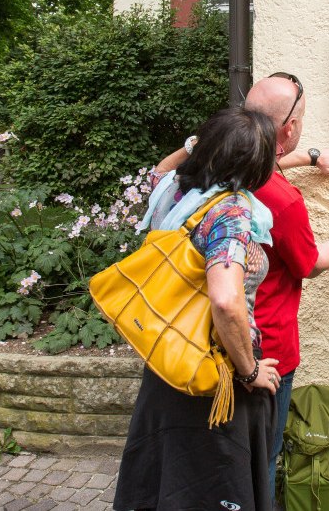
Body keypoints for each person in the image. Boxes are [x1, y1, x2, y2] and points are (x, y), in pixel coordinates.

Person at [113, 107, 283, 511]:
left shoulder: (174, 192)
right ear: (256, 167)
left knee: (165, 479)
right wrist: (251, 370)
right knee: (210, 486)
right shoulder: (231, 212)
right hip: (213, 374)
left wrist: (195, 145)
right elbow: (225, 300)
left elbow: (158, 171)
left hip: (167, 361)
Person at [242, 72, 329, 499]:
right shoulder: (283, 201)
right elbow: (311, 263)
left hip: (223, 337)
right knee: (264, 454)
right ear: (288, 128)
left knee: (235, 450)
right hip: (268, 347)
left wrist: (311, 156)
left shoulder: (230, 166)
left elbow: (267, 161)